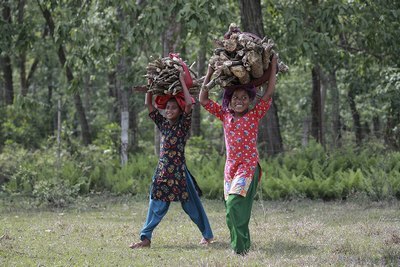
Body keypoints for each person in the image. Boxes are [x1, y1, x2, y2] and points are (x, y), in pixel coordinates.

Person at [199, 54, 278, 255]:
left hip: (248, 166)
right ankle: (242, 244)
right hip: (230, 169)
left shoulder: (254, 115)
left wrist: (273, 66)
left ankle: (240, 249)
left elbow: (268, 93)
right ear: (229, 101)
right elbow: (203, 99)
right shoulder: (225, 116)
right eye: (235, 98)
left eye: (244, 98)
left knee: (235, 204)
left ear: (250, 101)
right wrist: (209, 71)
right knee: (230, 211)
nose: (240, 101)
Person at [129, 62, 214, 249]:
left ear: (179, 110)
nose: (169, 110)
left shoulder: (183, 125)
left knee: (193, 206)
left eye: (173, 108)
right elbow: (148, 104)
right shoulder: (163, 124)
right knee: (155, 205)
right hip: (163, 172)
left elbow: (190, 104)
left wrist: (183, 81)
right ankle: (146, 238)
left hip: (179, 173)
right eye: (167, 107)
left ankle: (207, 235)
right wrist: (151, 85)